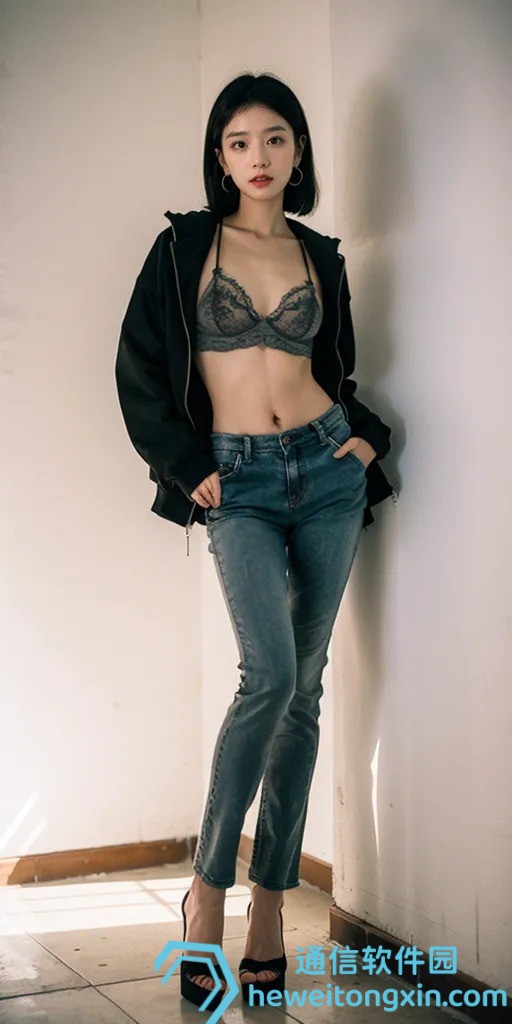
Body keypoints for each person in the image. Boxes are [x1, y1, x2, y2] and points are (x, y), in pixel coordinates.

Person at [115, 71, 397, 1009]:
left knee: (304, 692)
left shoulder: (321, 256)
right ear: (219, 156)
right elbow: (139, 370)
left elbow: (335, 367)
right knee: (268, 676)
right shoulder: (184, 248)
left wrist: (363, 439)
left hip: (326, 473)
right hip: (234, 479)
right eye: (240, 142)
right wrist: (182, 462)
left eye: (275, 138)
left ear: (299, 150)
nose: (259, 157)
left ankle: (269, 906)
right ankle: (206, 891)